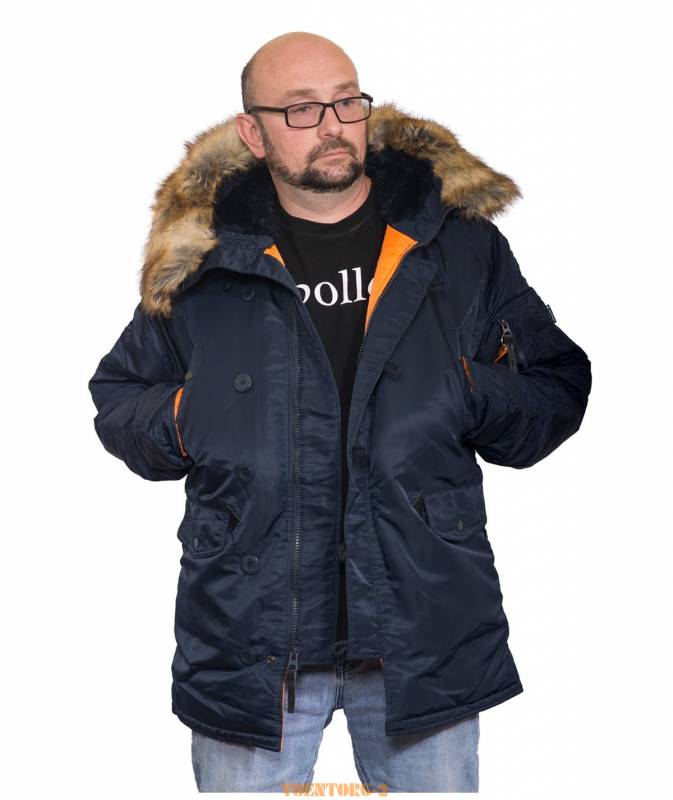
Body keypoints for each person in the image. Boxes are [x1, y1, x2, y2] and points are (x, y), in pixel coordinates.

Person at [88, 31, 592, 793]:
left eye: (346, 101)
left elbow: (555, 385)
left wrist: (465, 390)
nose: (331, 124)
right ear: (252, 131)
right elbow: (120, 394)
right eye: (300, 109)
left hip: (421, 633)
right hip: (252, 637)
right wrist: (192, 417)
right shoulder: (203, 259)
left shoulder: (455, 246)